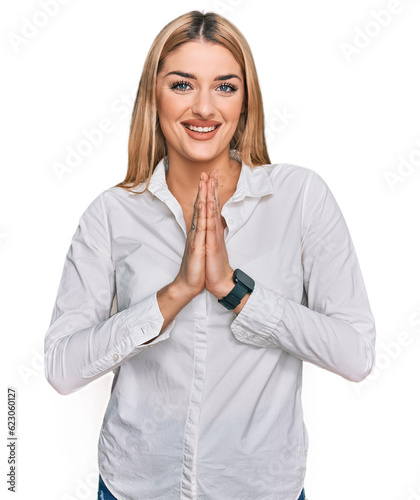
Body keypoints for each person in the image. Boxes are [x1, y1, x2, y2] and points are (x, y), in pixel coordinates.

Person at [44, 10, 376, 500]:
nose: (204, 108)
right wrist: (174, 294)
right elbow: (61, 367)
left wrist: (234, 291)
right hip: (134, 488)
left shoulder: (300, 198)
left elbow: (357, 354)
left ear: (246, 100)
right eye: (182, 85)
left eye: (224, 86)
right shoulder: (112, 214)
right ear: (152, 96)